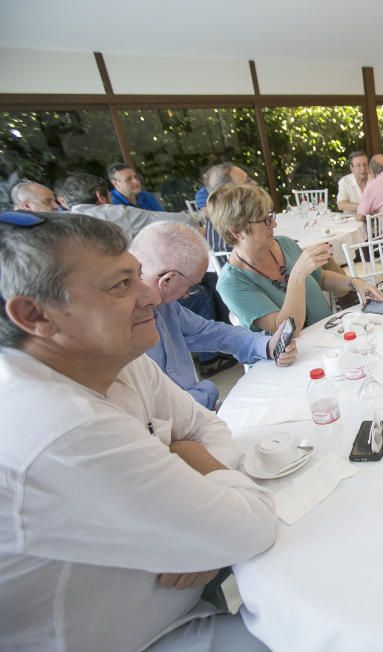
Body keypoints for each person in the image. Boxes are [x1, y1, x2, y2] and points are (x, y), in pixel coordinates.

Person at [0, 210, 277, 651]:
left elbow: (207, 428)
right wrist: (210, 524)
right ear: (37, 315)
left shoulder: (118, 361)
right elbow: (254, 528)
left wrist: (202, 531)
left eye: (137, 276)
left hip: (179, 608)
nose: (150, 295)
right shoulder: (57, 426)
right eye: (120, 284)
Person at [130, 222, 298, 409]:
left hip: (203, 409)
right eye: (191, 287)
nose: (187, 295)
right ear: (167, 280)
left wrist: (266, 345)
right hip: (179, 425)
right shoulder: (122, 333)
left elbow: (209, 332)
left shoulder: (166, 306)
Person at [207, 183, 381, 333]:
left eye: (271, 215)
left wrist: (354, 283)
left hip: (328, 338)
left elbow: (321, 278)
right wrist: (297, 275)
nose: (274, 224)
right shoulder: (232, 283)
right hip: (291, 362)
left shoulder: (284, 244)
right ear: (237, 232)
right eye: (266, 220)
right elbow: (287, 330)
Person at [59, 173, 196, 239]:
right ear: (100, 197)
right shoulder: (116, 214)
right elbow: (180, 220)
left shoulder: (61, 222)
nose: (136, 182)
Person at [198, 163, 257, 252]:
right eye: (248, 181)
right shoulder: (238, 226)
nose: (254, 183)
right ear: (228, 193)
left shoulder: (219, 219)